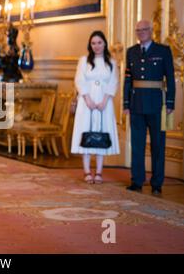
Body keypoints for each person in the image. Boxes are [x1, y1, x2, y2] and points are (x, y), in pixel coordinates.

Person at [124, 20, 175, 196]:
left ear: (151, 31)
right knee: (137, 145)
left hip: (157, 105)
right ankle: (137, 181)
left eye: (145, 29)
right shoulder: (131, 52)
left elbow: (170, 78)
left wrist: (170, 103)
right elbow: (128, 80)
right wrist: (125, 103)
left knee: (158, 146)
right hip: (136, 104)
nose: (141, 32)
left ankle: (156, 183)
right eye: (138, 30)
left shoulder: (163, 51)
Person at [71, 31, 120, 184]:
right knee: (85, 133)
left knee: (101, 134)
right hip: (87, 101)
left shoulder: (111, 62)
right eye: (93, 43)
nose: (96, 46)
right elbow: (79, 80)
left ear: (104, 43)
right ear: (90, 45)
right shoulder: (83, 60)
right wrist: (87, 98)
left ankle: (99, 172)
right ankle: (86, 171)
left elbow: (114, 81)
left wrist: (105, 100)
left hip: (104, 102)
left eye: (99, 42)